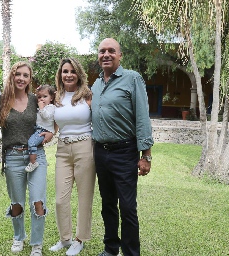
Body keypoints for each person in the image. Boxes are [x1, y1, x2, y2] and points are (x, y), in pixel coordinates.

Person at [91, 38, 154, 256]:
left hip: (124, 152)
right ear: (98, 56)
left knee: (127, 208)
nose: (106, 54)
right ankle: (110, 248)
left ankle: (131, 253)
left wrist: (146, 155)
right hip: (100, 152)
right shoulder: (96, 85)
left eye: (111, 51)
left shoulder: (132, 79)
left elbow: (142, 117)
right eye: (102, 51)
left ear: (120, 55)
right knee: (107, 204)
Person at [0, 61, 53, 256]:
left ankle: (36, 243)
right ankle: (19, 237)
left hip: (36, 157)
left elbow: (51, 119)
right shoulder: (2, 101)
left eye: (25, 75)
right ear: (12, 76)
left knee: (38, 200)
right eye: (18, 74)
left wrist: (51, 134)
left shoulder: (36, 100)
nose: (21, 78)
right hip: (12, 157)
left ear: (30, 79)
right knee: (17, 202)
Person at [49, 57, 96, 256]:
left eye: (72, 71)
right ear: (60, 75)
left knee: (85, 196)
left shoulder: (88, 95)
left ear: (78, 74)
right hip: (62, 149)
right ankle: (65, 238)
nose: (68, 75)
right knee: (60, 199)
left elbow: (101, 118)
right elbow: (51, 125)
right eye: (64, 71)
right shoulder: (57, 97)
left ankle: (80, 239)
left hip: (85, 147)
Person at [25, 84, 56, 172]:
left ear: (51, 98)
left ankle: (33, 162)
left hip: (43, 130)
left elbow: (46, 116)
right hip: (38, 129)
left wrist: (41, 108)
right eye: (39, 97)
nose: (42, 99)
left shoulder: (51, 107)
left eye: (45, 96)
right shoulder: (41, 108)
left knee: (31, 143)